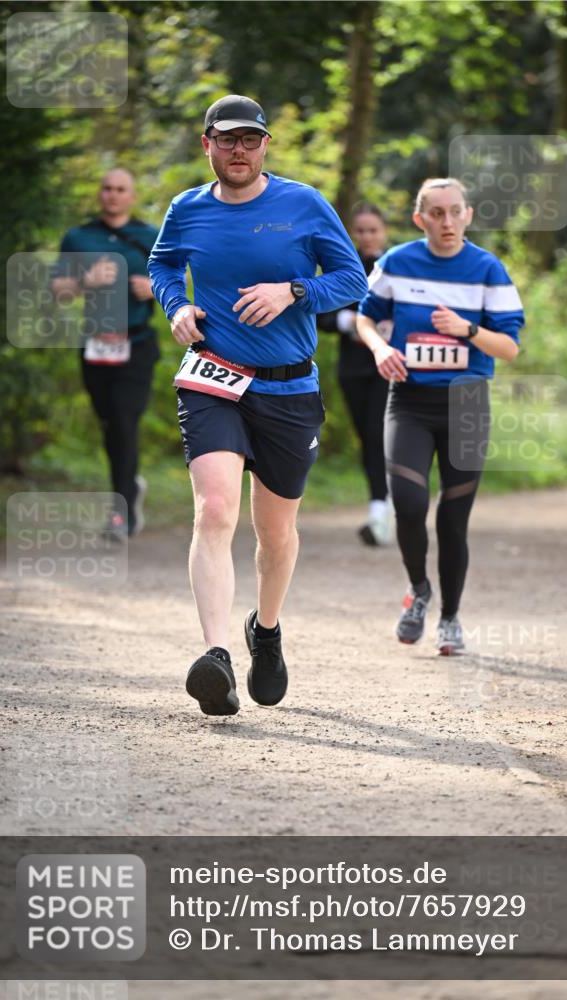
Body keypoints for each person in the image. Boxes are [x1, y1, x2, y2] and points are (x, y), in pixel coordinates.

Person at [148, 95, 368, 716]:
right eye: (227, 139)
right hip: (213, 378)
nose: (238, 150)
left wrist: (293, 290)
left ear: (266, 145)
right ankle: (215, 657)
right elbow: (163, 266)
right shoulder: (186, 209)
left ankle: (264, 631)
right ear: (207, 145)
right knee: (215, 510)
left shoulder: (304, 203)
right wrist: (177, 307)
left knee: (275, 533)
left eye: (250, 139)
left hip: (288, 387)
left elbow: (353, 280)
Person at [357, 178, 524, 654]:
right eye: (436, 213)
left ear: (468, 215)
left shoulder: (488, 270)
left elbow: (509, 347)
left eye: (455, 212)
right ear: (420, 219)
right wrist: (380, 348)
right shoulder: (397, 262)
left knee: (453, 520)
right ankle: (419, 590)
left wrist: (466, 329)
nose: (447, 222)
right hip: (409, 401)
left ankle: (450, 617)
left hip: (466, 404)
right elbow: (366, 316)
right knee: (408, 503)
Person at [51, 168, 159, 538]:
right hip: (95, 344)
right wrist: (86, 281)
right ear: (100, 193)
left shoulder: (151, 236)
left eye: (121, 189)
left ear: (132, 196)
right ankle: (130, 487)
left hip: (138, 344)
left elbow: (178, 281)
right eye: (108, 188)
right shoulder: (79, 237)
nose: (113, 194)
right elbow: (57, 292)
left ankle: (121, 512)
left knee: (125, 422)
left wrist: (154, 287)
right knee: (110, 423)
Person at [318, 204, 394, 546]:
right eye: (360, 230)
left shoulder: (397, 267)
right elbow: (320, 314)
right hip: (352, 368)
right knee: (367, 435)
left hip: (389, 365)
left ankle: (383, 509)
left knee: (380, 433)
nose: (366, 236)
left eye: (373, 230)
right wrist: (346, 321)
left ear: (384, 231)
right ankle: (380, 502)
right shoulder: (341, 267)